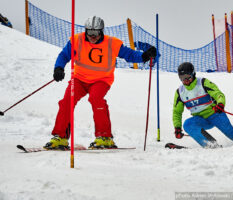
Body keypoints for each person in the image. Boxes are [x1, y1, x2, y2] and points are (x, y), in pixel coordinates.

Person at [44, 16, 157, 149]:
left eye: (96, 33)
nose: (93, 36)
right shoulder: (77, 40)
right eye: (90, 33)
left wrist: (144, 56)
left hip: (101, 80)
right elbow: (64, 55)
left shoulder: (111, 43)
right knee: (67, 101)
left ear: (101, 31)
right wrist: (59, 68)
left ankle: (104, 137)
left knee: (96, 99)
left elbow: (130, 55)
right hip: (79, 79)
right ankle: (60, 137)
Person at [172, 62, 233, 148]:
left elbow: (218, 94)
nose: (185, 80)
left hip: (215, 114)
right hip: (200, 119)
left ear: (193, 74)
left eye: (187, 77)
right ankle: (211, 144)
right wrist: (177, 127)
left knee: (229, 131)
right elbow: (176, 112)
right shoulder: (180, 92)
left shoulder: (203, 82)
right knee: (188, 124)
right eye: (182, 78)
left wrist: (220, 104)